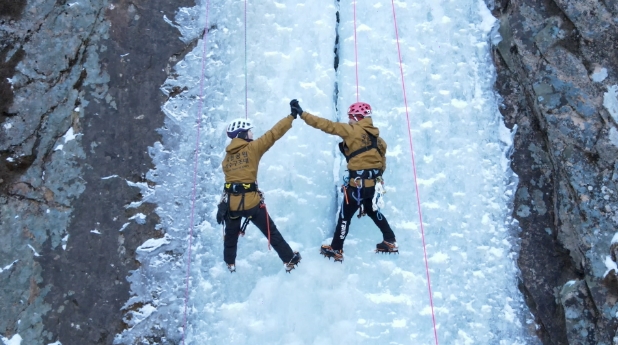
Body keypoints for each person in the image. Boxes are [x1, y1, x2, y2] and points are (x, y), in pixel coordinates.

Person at [289, 99, 398, 262]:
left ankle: (336, 248)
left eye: (351, 117)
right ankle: (390, 240)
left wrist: (303, 114)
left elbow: (326, 125)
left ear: (357, 116)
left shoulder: (351, 130)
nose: (349, 120)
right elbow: (382, 164)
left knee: (345, 217)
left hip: (357, 186)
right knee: (373, 211)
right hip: (372, 186)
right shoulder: (379, 140)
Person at [218, 113, 301, 273]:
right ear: (242, 134)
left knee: (230, 236)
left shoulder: (227, 159)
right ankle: (289, 259)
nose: (252, 134)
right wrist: (291, 117)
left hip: (232, 204)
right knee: (272, 231)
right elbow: (273, 134)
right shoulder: (253, 148)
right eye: (249, 131)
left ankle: (230, 263)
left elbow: (231, 182)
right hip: (251, 203)